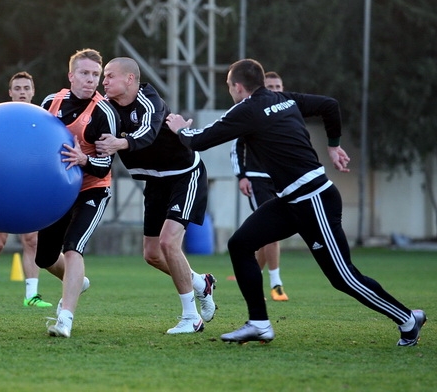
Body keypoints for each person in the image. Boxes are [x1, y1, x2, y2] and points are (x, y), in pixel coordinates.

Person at [166, 58, 426, 346]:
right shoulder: (283, 99)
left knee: (344, 278)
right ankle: (259, 323)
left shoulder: (247, 109)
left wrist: (179, 128)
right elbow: (329, 105)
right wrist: (334, 144)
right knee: (240, 244)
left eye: (229, 86)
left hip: (314, 200)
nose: (230, 91)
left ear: (238, 86)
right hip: (291, 201)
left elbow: (200, 139)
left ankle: (407, 319)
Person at [95, 57, 217, 334]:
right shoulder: (106, 107)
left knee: (168, 243)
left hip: (185, 175)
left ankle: (191, 318)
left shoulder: (150, 100)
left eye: (109, 76)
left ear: (129, 79)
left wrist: (121, 143)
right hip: (154, 182)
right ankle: (201, 284)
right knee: (151, 254)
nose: (104, 81)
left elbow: (148, 133)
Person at [38, 48, 120, 338]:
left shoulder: (104, 112)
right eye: (84, 73)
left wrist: (83, 159)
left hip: (92, 189)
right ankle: (77, 282)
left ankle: (66, 319)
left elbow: (106, 164)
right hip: (58, 192)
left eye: (95, 75)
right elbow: (36, 141)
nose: (90, 80)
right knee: (45, 258)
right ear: (71, 75)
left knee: (73, 247)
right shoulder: (50, 102)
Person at [0, 72, 52, 308]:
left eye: (26, 88)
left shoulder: (41, 120)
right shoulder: (0, 119)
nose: (21, 91)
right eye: (17, 88)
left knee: (31, 241)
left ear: (32, 92)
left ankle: (31, 295)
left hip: (29, 188)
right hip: (1, 188)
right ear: (10, 93)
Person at [230, 71, 288, 301]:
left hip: (280, 179)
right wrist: (241, 176)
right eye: (270, 86)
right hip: (256, 177)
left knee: (268, 234)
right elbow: (236, 147)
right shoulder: (251, 110)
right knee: (271, 231)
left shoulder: (286, 110)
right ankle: (276, 285)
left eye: (278, 86)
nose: (274, 90)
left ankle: (252, 275)